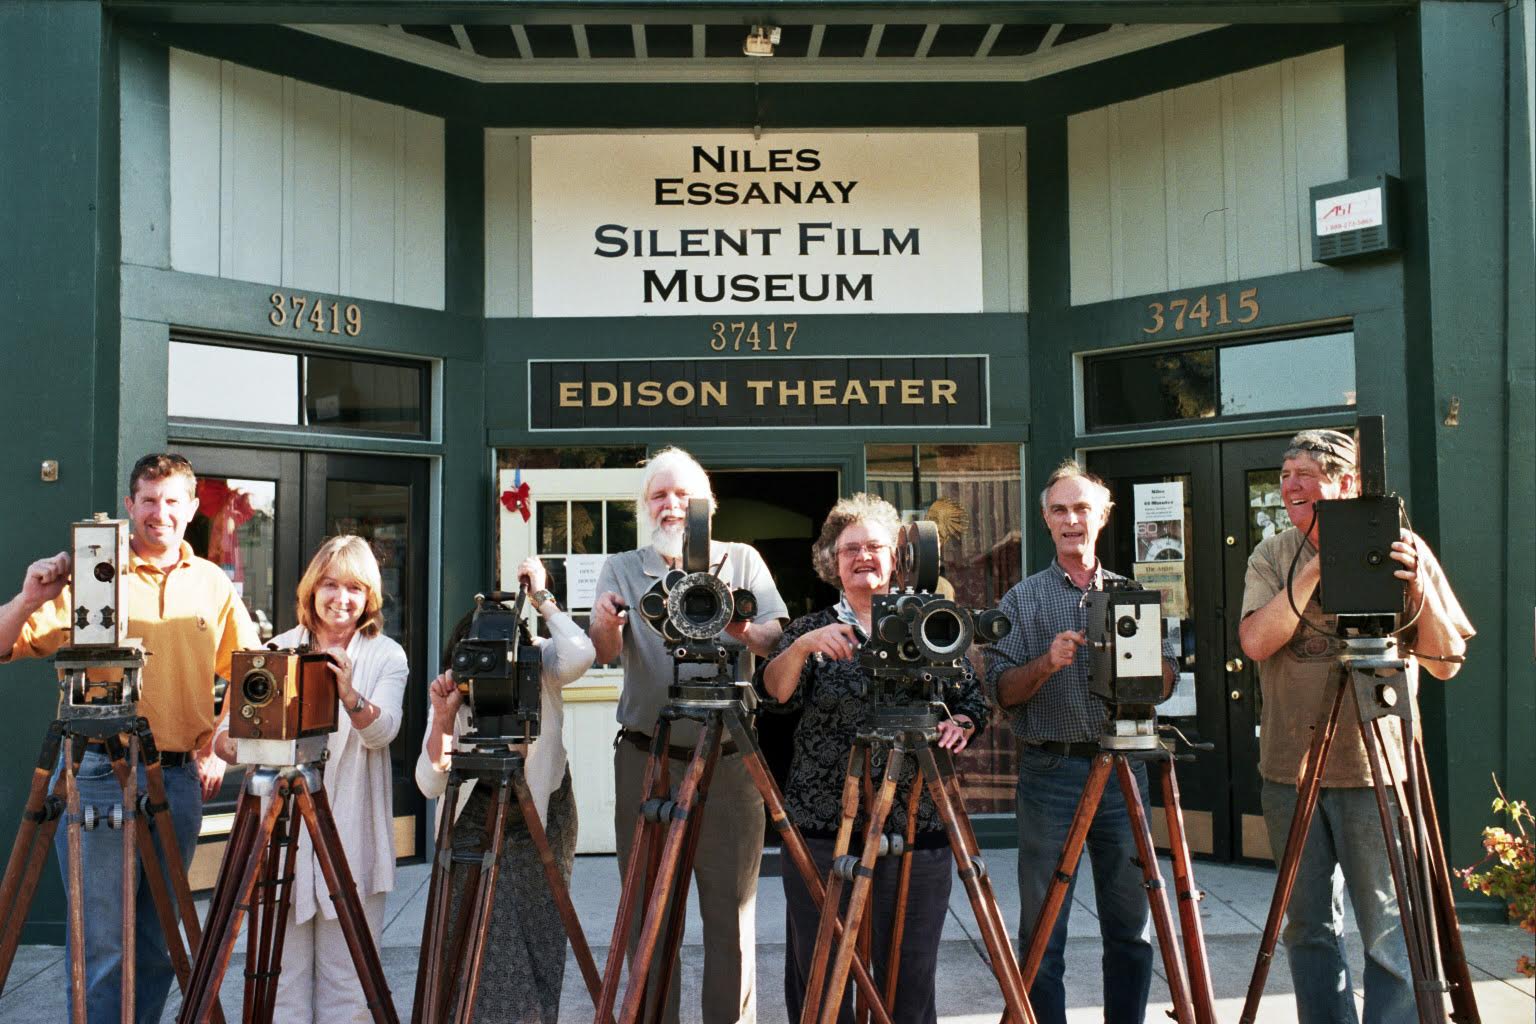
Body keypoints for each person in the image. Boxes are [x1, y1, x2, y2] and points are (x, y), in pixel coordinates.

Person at [0, 453, 259, 1023]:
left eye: (171, 501)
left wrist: (218, 737)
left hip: (178, 780)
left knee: (161, 941)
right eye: (148, 500)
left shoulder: (212, 582)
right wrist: (28, 600)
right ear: (130, 505)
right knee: (102, 946)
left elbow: (249, 673)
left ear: (192, 509)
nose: (159, 513)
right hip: (96, 772)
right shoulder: (96, 571)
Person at [1237, 429, 1472, 1024]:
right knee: (1308, 927)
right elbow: (1256, 642)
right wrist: (1318, 569)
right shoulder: (1272, 555)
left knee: (1389, 929)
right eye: (1285, 473)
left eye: (1306, 474)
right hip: (1292, 770)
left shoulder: (1404, 547)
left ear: (1347, 485)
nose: (1290, 483)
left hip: (1379, 770)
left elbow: (1445, 662)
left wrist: (1417, 586)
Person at [760, 493, 984, 1024]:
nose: (863, 557)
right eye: (849, 548)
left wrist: (962, 725)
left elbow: (971, 699)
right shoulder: (811, 629)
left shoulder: (933, 623)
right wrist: (800, 647)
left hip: (916, 819)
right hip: (822, 822)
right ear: (831, 562)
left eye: (875, 546)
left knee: (908, 973)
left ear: (897, 558)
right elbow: (775, 695)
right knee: (822, 968)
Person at [589, 446, 788, 1024]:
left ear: (708, 506)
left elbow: (776, 637)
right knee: (651, 917)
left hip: (730, 758)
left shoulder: (741, 559)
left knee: (732, 916)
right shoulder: (623, 567)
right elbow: (604, 653)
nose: (672, 505)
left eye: (684, 495)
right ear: (644, 506)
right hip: (648, 755)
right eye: (659, 495)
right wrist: (603, 622)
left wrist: (736, 623)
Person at [982, 459, 1177, 1024]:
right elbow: (1002, 692)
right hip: (1052, 774)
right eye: (1061, 510)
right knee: (1044, 929)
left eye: (1082, 509)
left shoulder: (1136, 594)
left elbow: (1165, 681)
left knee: (1131, 925)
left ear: (1103, 517)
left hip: (1123, 773)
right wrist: (1047, 662)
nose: (1072, 520)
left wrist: (1137, 666)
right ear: (1046, 520)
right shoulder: (1022, 600)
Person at [210, 535, 407, 1024]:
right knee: (281, 984)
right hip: (282, 839)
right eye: (331, 584)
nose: (342, 599)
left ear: (370, 597)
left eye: (355, 588)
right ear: (311, 589)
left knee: (350, 988)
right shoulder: (275, 650)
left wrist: (347, 692)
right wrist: (241, 736)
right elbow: (224, 740)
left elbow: (383, 733)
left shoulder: (386, 655)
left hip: (352, 836)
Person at [415, 556, 595, 1023]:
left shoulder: (540, 661)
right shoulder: (456, 692)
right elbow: (430, 781)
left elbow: (582, 652)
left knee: (537, 936)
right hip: (473, 819)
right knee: (472, 936)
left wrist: (542, 600)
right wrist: (442, 720)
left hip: (540, 815)